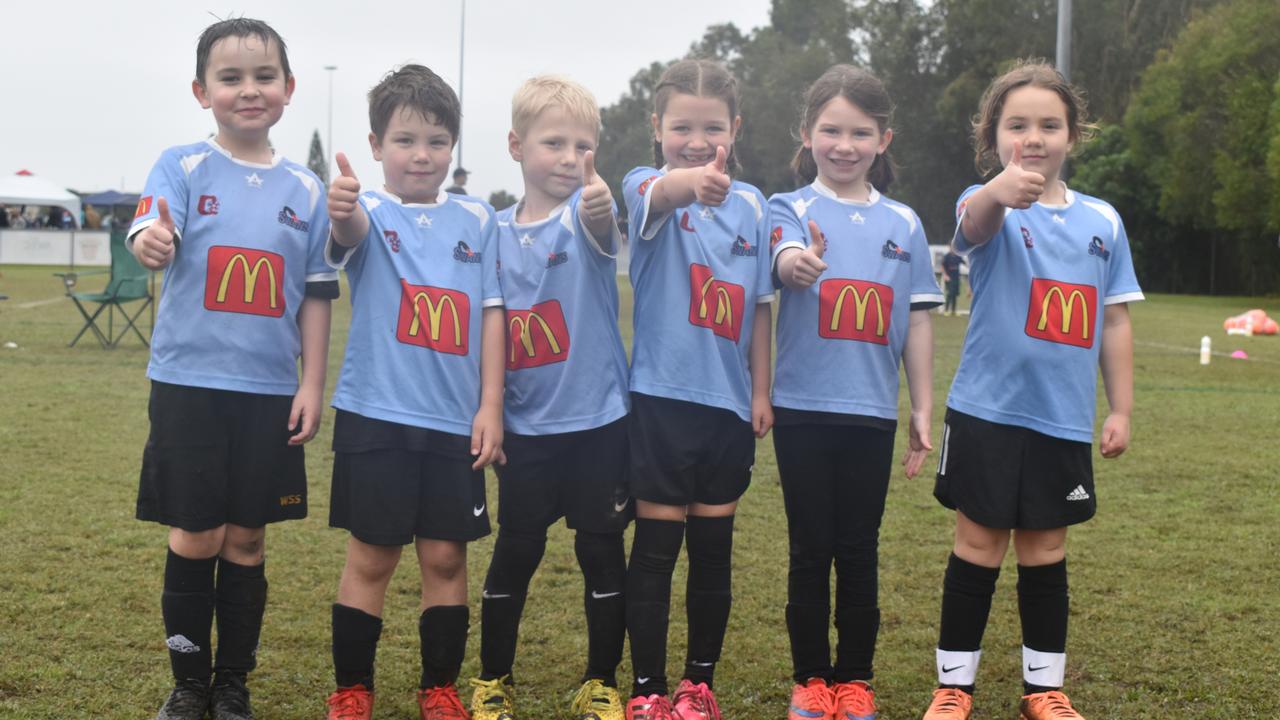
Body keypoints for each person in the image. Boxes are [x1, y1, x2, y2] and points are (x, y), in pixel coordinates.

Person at [919, 60, 1143, 720]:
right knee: (978, 545)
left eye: (1050, 124)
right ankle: (953, 689)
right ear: (994, 138)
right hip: (986, 413)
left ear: (1073, 133)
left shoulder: (1103, 221)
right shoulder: (985, 202)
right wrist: (999, 188)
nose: (1035, 136)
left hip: (1062, 421)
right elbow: (973, 226)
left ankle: (1044, 691)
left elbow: (1114, 319)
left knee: (1046, 550)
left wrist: (1122, 408)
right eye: (1017, 125)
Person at [128, 17, 336, 720]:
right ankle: (187, 683)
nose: (249, 90)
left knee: (247, 538)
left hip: (269, 393)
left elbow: (314, 293)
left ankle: (231, 685)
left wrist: (311, 382)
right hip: (188, 384)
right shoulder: (182, 165)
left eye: (263, 76)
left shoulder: (305, 189)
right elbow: (154, 224)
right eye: (231, 77)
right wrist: (151, 240)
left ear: (288, 88)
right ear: (202, 90)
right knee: (195, 534)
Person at [323, 64, 504, 720]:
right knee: (371, 558)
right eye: (404, 140)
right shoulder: (366, 209)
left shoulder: (479, 220)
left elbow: (491, 314)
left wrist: (489, 405)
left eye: (435, 140)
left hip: (454, 424)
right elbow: (348, 239)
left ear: (453, 146)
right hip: (376, 417)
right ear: (376, 146)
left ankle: (440, 687)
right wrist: (340, 210)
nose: (420, 154)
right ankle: (352, 689)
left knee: (445, 557)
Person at [770, 65, 942, 720]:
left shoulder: (904, 221)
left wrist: (921, 406)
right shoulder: (790, 209)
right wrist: (799, 263)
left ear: (884, 138)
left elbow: (918, 320)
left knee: (858, 546)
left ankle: (857, 680)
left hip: (871, 414)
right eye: (831, 131)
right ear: (808, 133)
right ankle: (812, 679)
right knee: (810, 546)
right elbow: (785, 258)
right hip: (802, 411)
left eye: (860, 133)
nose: (845, 145)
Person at [466, 75, 631, 720]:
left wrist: (597, 201)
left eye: (584, 145)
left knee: (600, 552)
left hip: (597, 425)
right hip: (525, 428)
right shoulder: (492, 232)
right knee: (518, 550)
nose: (570, 157)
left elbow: (601, 220)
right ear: (516, 146)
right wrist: (492, 409)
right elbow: (492, 324)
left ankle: (601, 683)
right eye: (554, 142)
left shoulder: (587, 217)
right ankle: (492, 680)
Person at [620, 58, 774, 720]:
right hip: (661, 402)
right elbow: (663, 193)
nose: (696, 138)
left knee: (714, 556)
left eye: (712, 127)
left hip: (729, 410)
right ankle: (649, 691)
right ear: (657, 128)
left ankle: (697, 687)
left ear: (734, 129)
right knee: (656, 553)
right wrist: (690, 181)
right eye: (681, 126)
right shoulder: (645, 184)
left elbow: (761, 309)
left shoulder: (755, 206)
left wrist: (760, 392)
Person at [941, 250, 964, 315]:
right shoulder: (947, 256)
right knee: (950, 294)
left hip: (956, 278)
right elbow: (942, 266)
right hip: (949, 278)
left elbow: (964, 263)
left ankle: (953, 311)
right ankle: (946, 310)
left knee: (955, 294)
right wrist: (945, 275)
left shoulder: (958, 256)